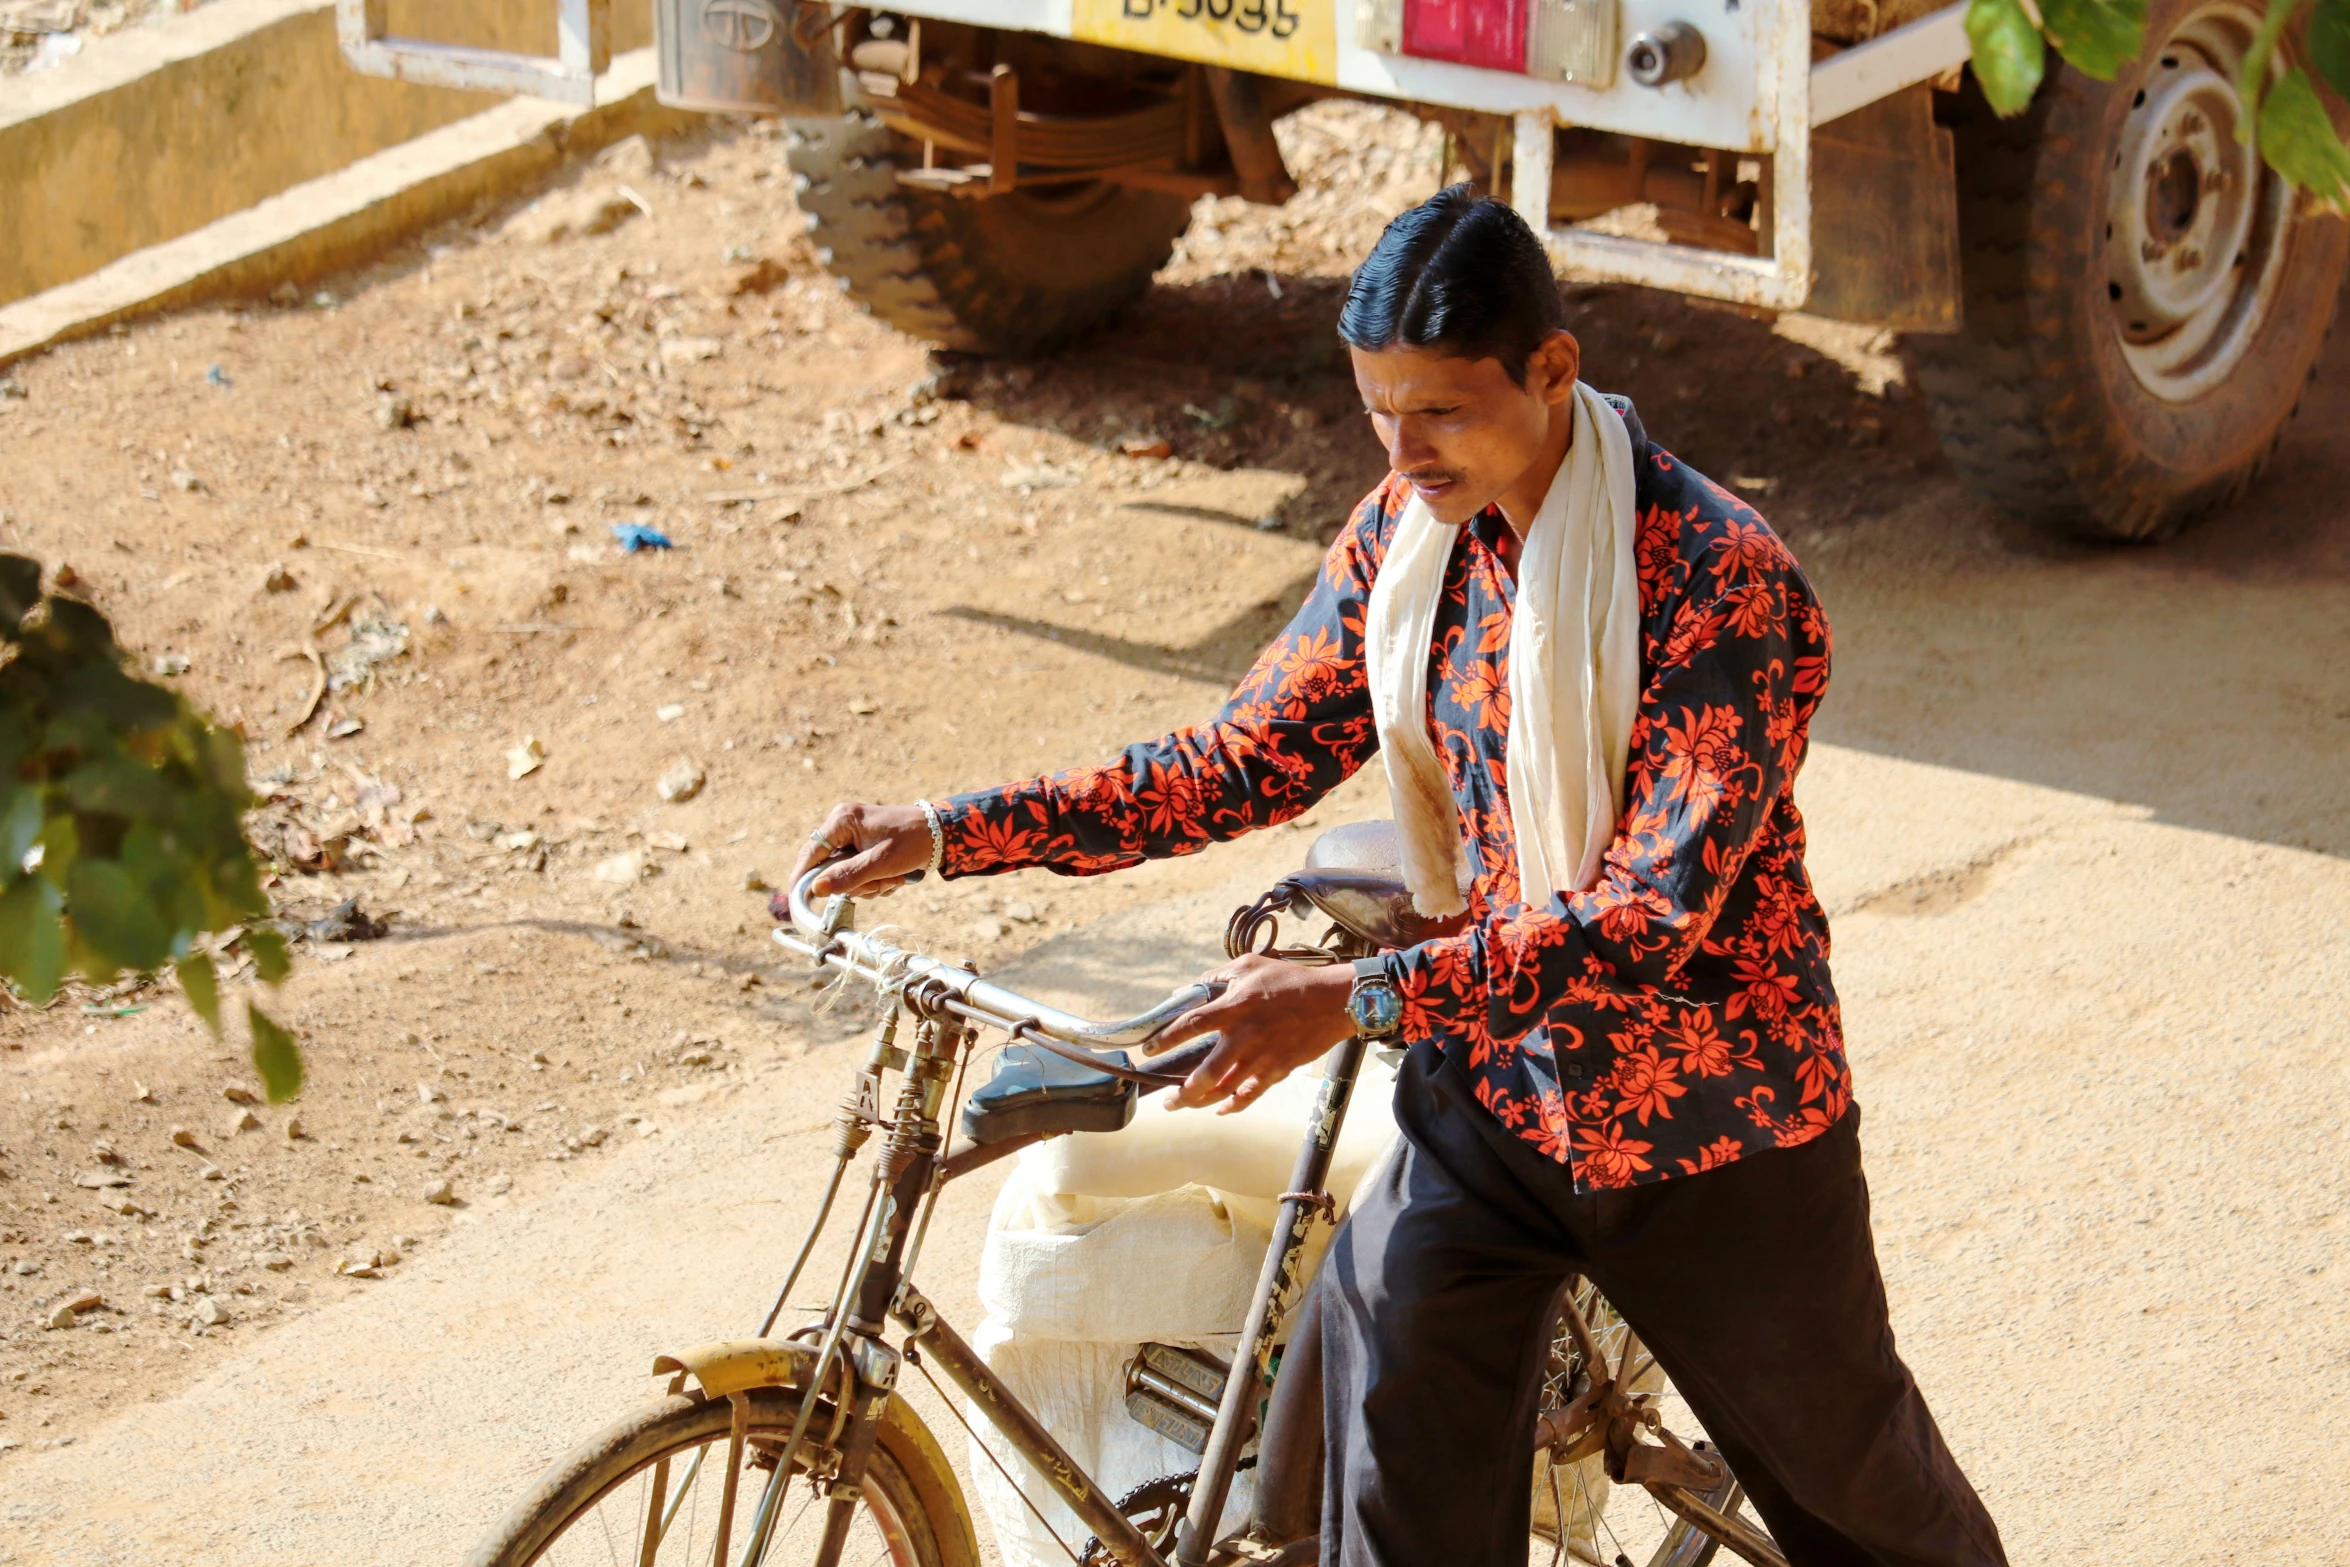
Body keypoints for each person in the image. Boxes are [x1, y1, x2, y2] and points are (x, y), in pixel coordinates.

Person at [789, 187, 2007, 1567]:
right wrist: (950, 829)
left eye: (1440, 407)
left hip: (1715, 1133)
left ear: (1552, 369)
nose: (1403, 446)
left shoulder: (1721, 580)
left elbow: (1648, 920)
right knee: (1394, 1481)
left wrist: (1348, 997)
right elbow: (1236, 758)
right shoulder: (1403, 539)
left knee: (1863, 1502)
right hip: (1487, 1101)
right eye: (1378, 406)